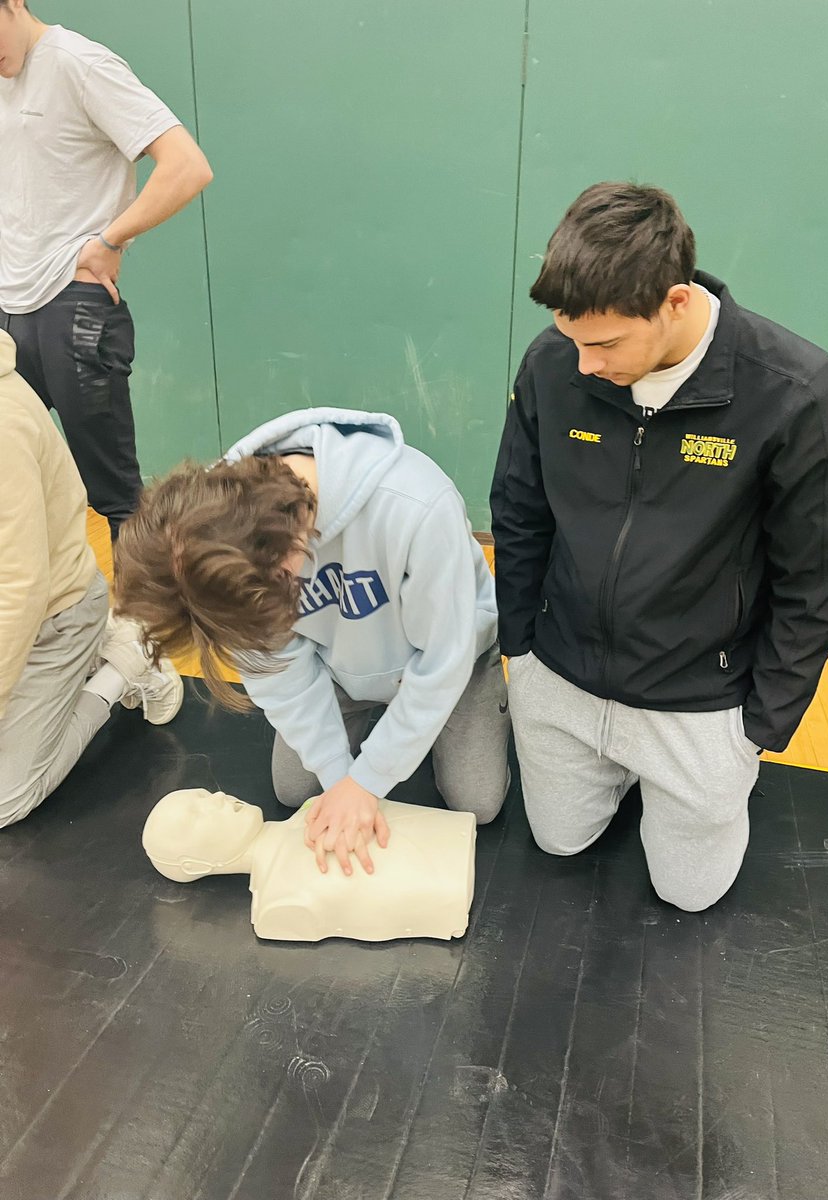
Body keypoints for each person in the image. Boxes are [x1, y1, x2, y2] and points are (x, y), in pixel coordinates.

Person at [491, 182, 828, 912]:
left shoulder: (802, 397)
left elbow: (813, 582)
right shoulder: (554, 362)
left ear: (676, 302)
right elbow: (519, 508)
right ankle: (607, 764)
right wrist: (520, 647)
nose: (585, 365)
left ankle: (675, 779)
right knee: (558, 842)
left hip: (698, 699)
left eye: (604, 344)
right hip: (562, 670)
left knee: (688, 894)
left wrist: (758, 729)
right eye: (573, 340)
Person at [114, 409, 510, 875]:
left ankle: (483, 709)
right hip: (340, 666)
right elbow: (279, 675)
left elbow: (444, 659)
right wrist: (342, 779)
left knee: (477, 803)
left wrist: (368, 783)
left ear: (284, 554)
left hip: (448, 663)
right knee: (296, 791)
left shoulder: (415, 504)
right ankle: (380, 731)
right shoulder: (218, 550)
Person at [0, 0, 213, 538]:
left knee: (116, 495)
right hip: (8, 309)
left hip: (73, 308)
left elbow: (187, 166)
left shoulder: (80, 63)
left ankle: (145, 622)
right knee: (16, 492)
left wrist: (111, 239)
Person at [0, 329, 183, 830]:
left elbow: (21, 586)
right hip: (19, 615)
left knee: (4, 800)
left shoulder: (5, 424)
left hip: (53, 615)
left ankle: (125, 658)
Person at [142, 789, 477, 942]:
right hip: (448, 890)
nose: (217, 798)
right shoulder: (278, 903)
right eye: (195, 815)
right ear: (193, 864)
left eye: (203, 794)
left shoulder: (313, 806)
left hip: (456, 837)